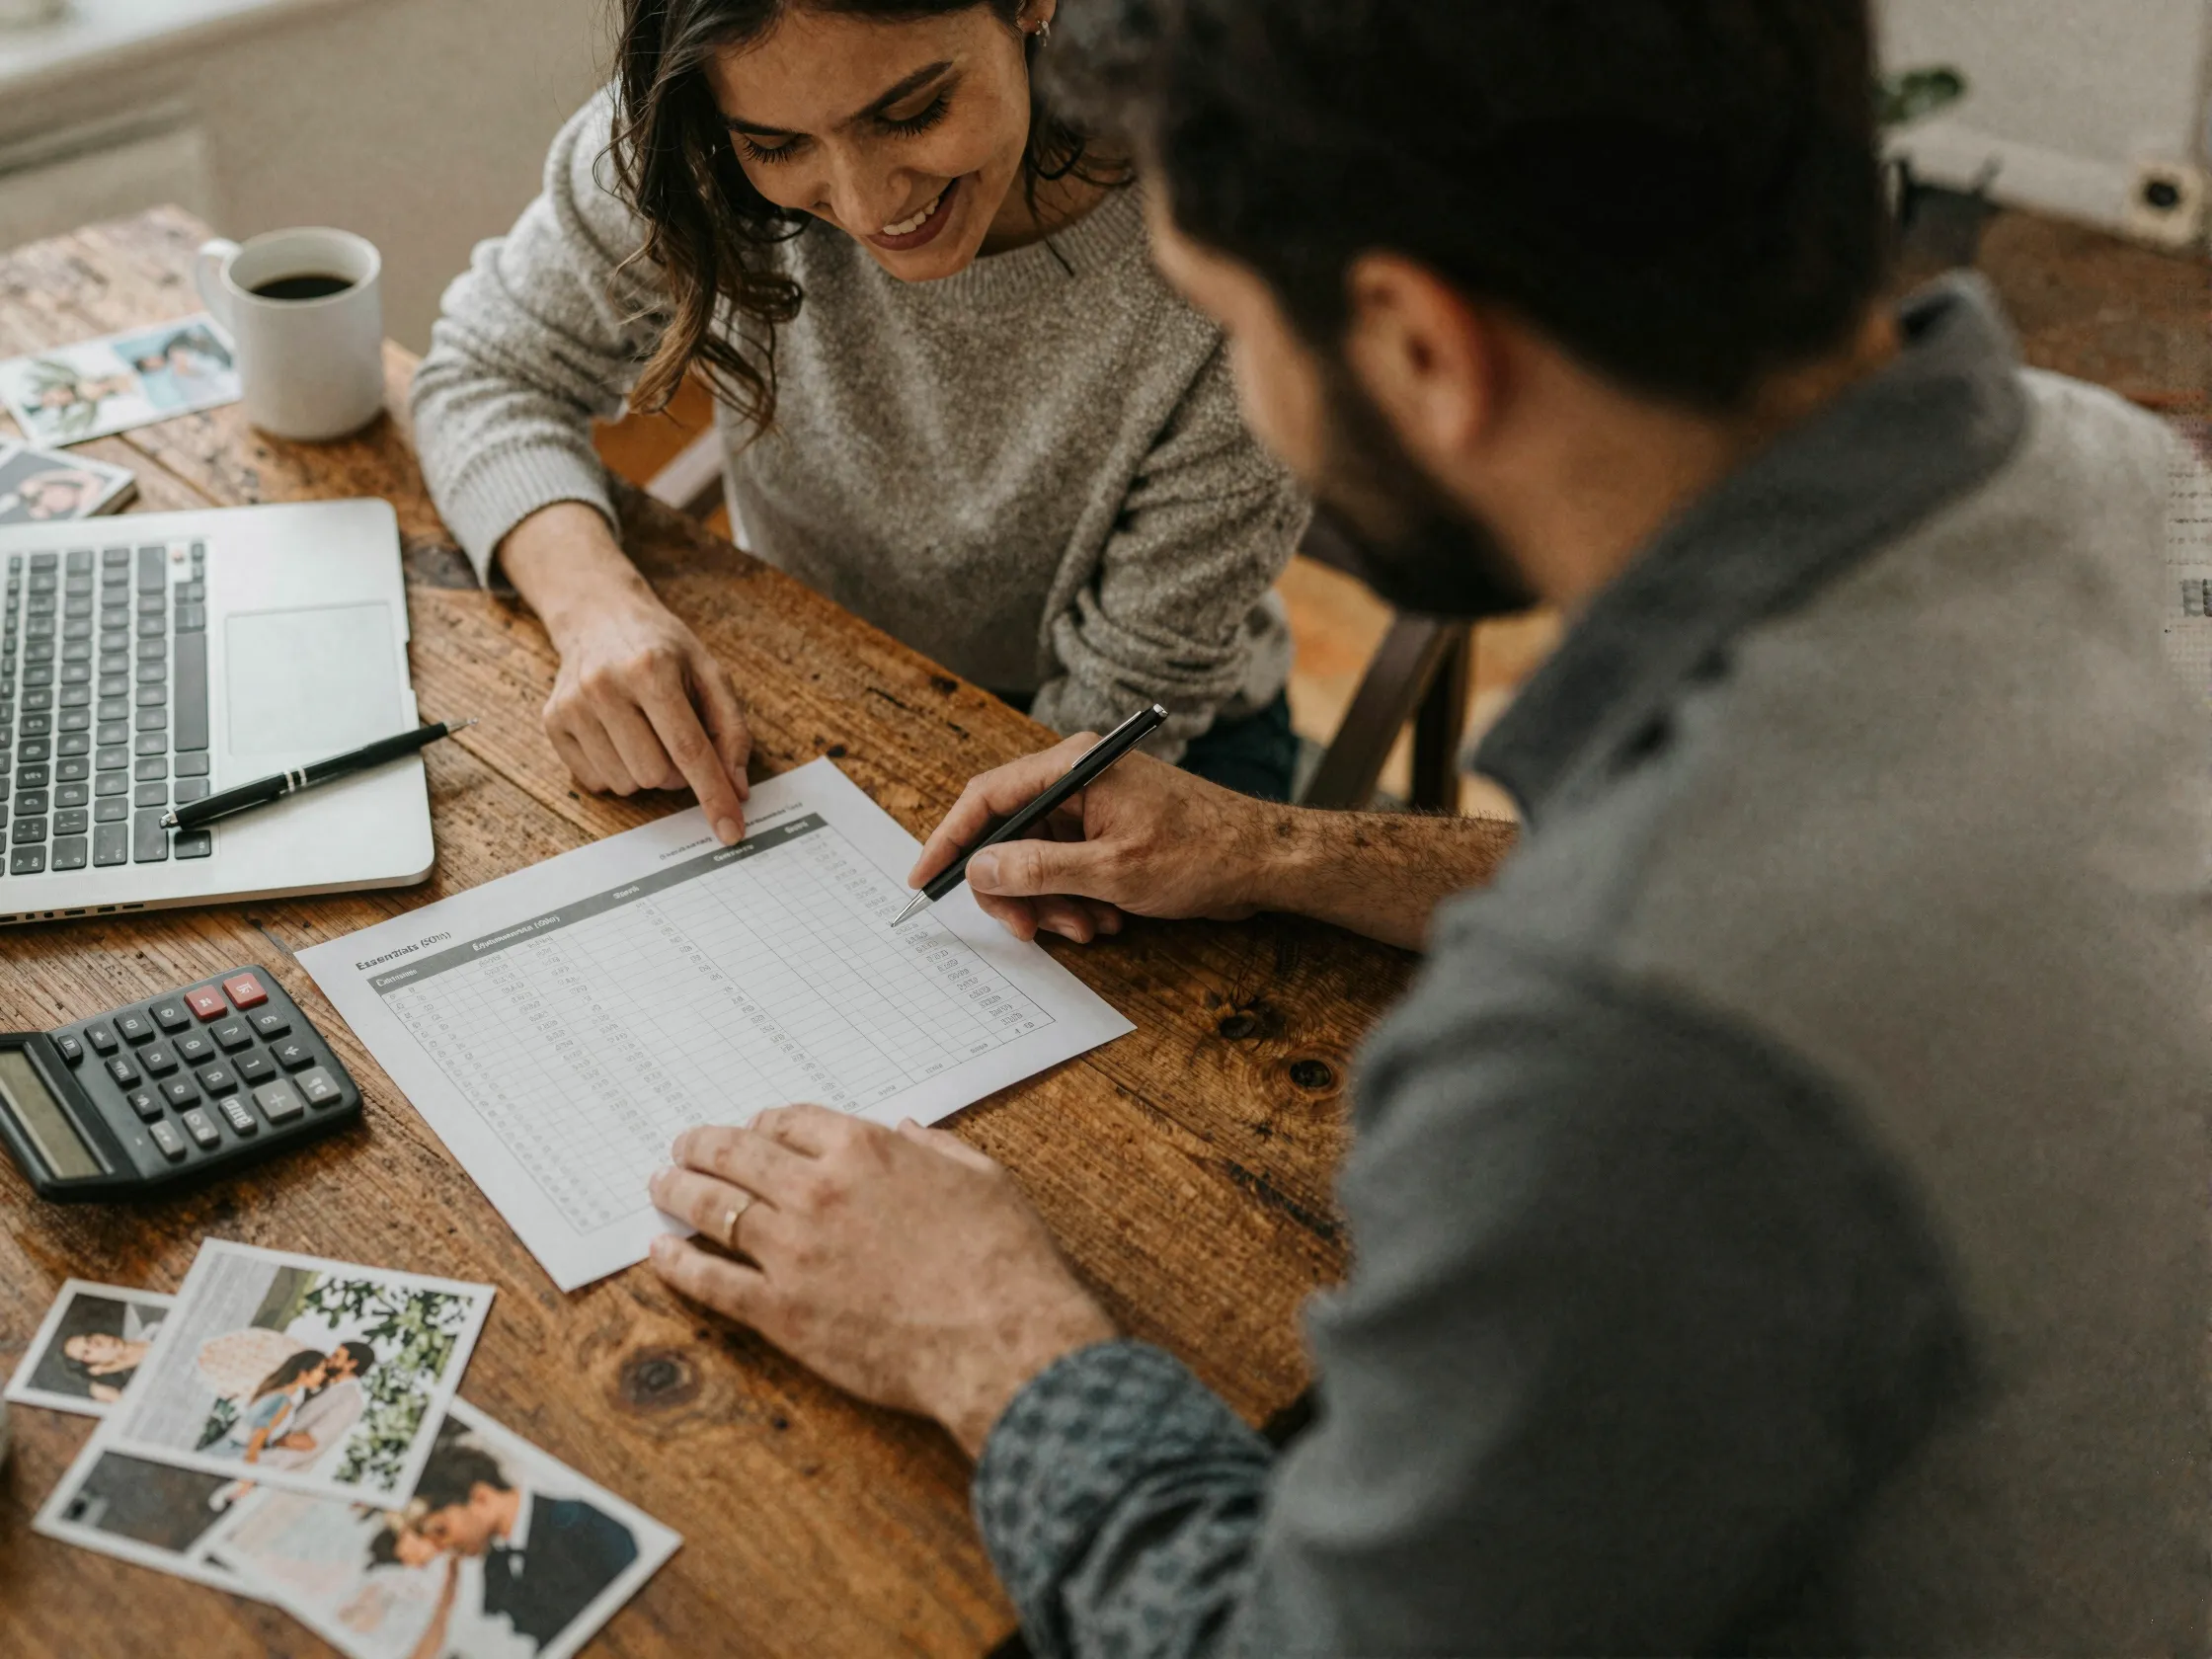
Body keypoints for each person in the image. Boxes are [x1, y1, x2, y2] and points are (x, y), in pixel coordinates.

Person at [640, 1, 2210, 1653]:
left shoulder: (1601, 1057)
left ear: (1418, 349)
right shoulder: (2133, 485)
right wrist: (1283, 849)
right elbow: (1850, 874)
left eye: (1233, 322)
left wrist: (989, 1337)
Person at [411, 0, 1308, 849]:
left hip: (1144, 739)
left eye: (915, 112)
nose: (868, 206)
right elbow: (488, 368)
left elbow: (1116, 710)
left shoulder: (1233, 252)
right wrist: (594, 607)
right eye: (776, 144)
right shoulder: (691, 133)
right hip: (811, 669)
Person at [408, 1443, 640, 1655]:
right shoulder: (495, 1564)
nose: (441, 1548)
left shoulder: (579, 1522)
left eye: (441, 1531)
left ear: (481, 1497)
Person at [255, 1337, 375, 1471]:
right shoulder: (325, 1385)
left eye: (336, 1356)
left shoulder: (349, 1399)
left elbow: (310, 1441)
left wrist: (271, 1439)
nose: (329, 1359)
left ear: (351, 1364)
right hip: (262, 1456)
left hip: (278, 1464)